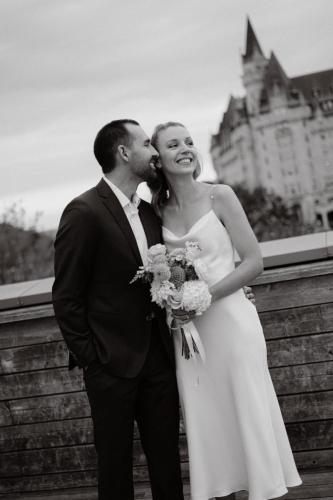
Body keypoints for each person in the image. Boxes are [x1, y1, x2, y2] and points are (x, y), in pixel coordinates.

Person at [148, 121, 303, 500]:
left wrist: (207, 296)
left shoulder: (221, 196)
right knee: (207, 418)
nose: (185, 148)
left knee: (247, 409)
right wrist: (172, 298)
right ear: (158, 159)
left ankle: (264, 490)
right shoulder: (155, 212)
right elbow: (158, 270)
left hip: (233, 323)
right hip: (189, 335)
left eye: (188, 141)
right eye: (173, 145)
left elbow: (253, 263)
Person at [52, 119, 184, 500]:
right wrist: (93, 359)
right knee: (114, 465)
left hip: (159, 358)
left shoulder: (148, 211)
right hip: (110, 366)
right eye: (147, 144)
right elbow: (66, 297)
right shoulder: (84, 212)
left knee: (167, 462)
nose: (155, 152)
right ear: (124, 153)